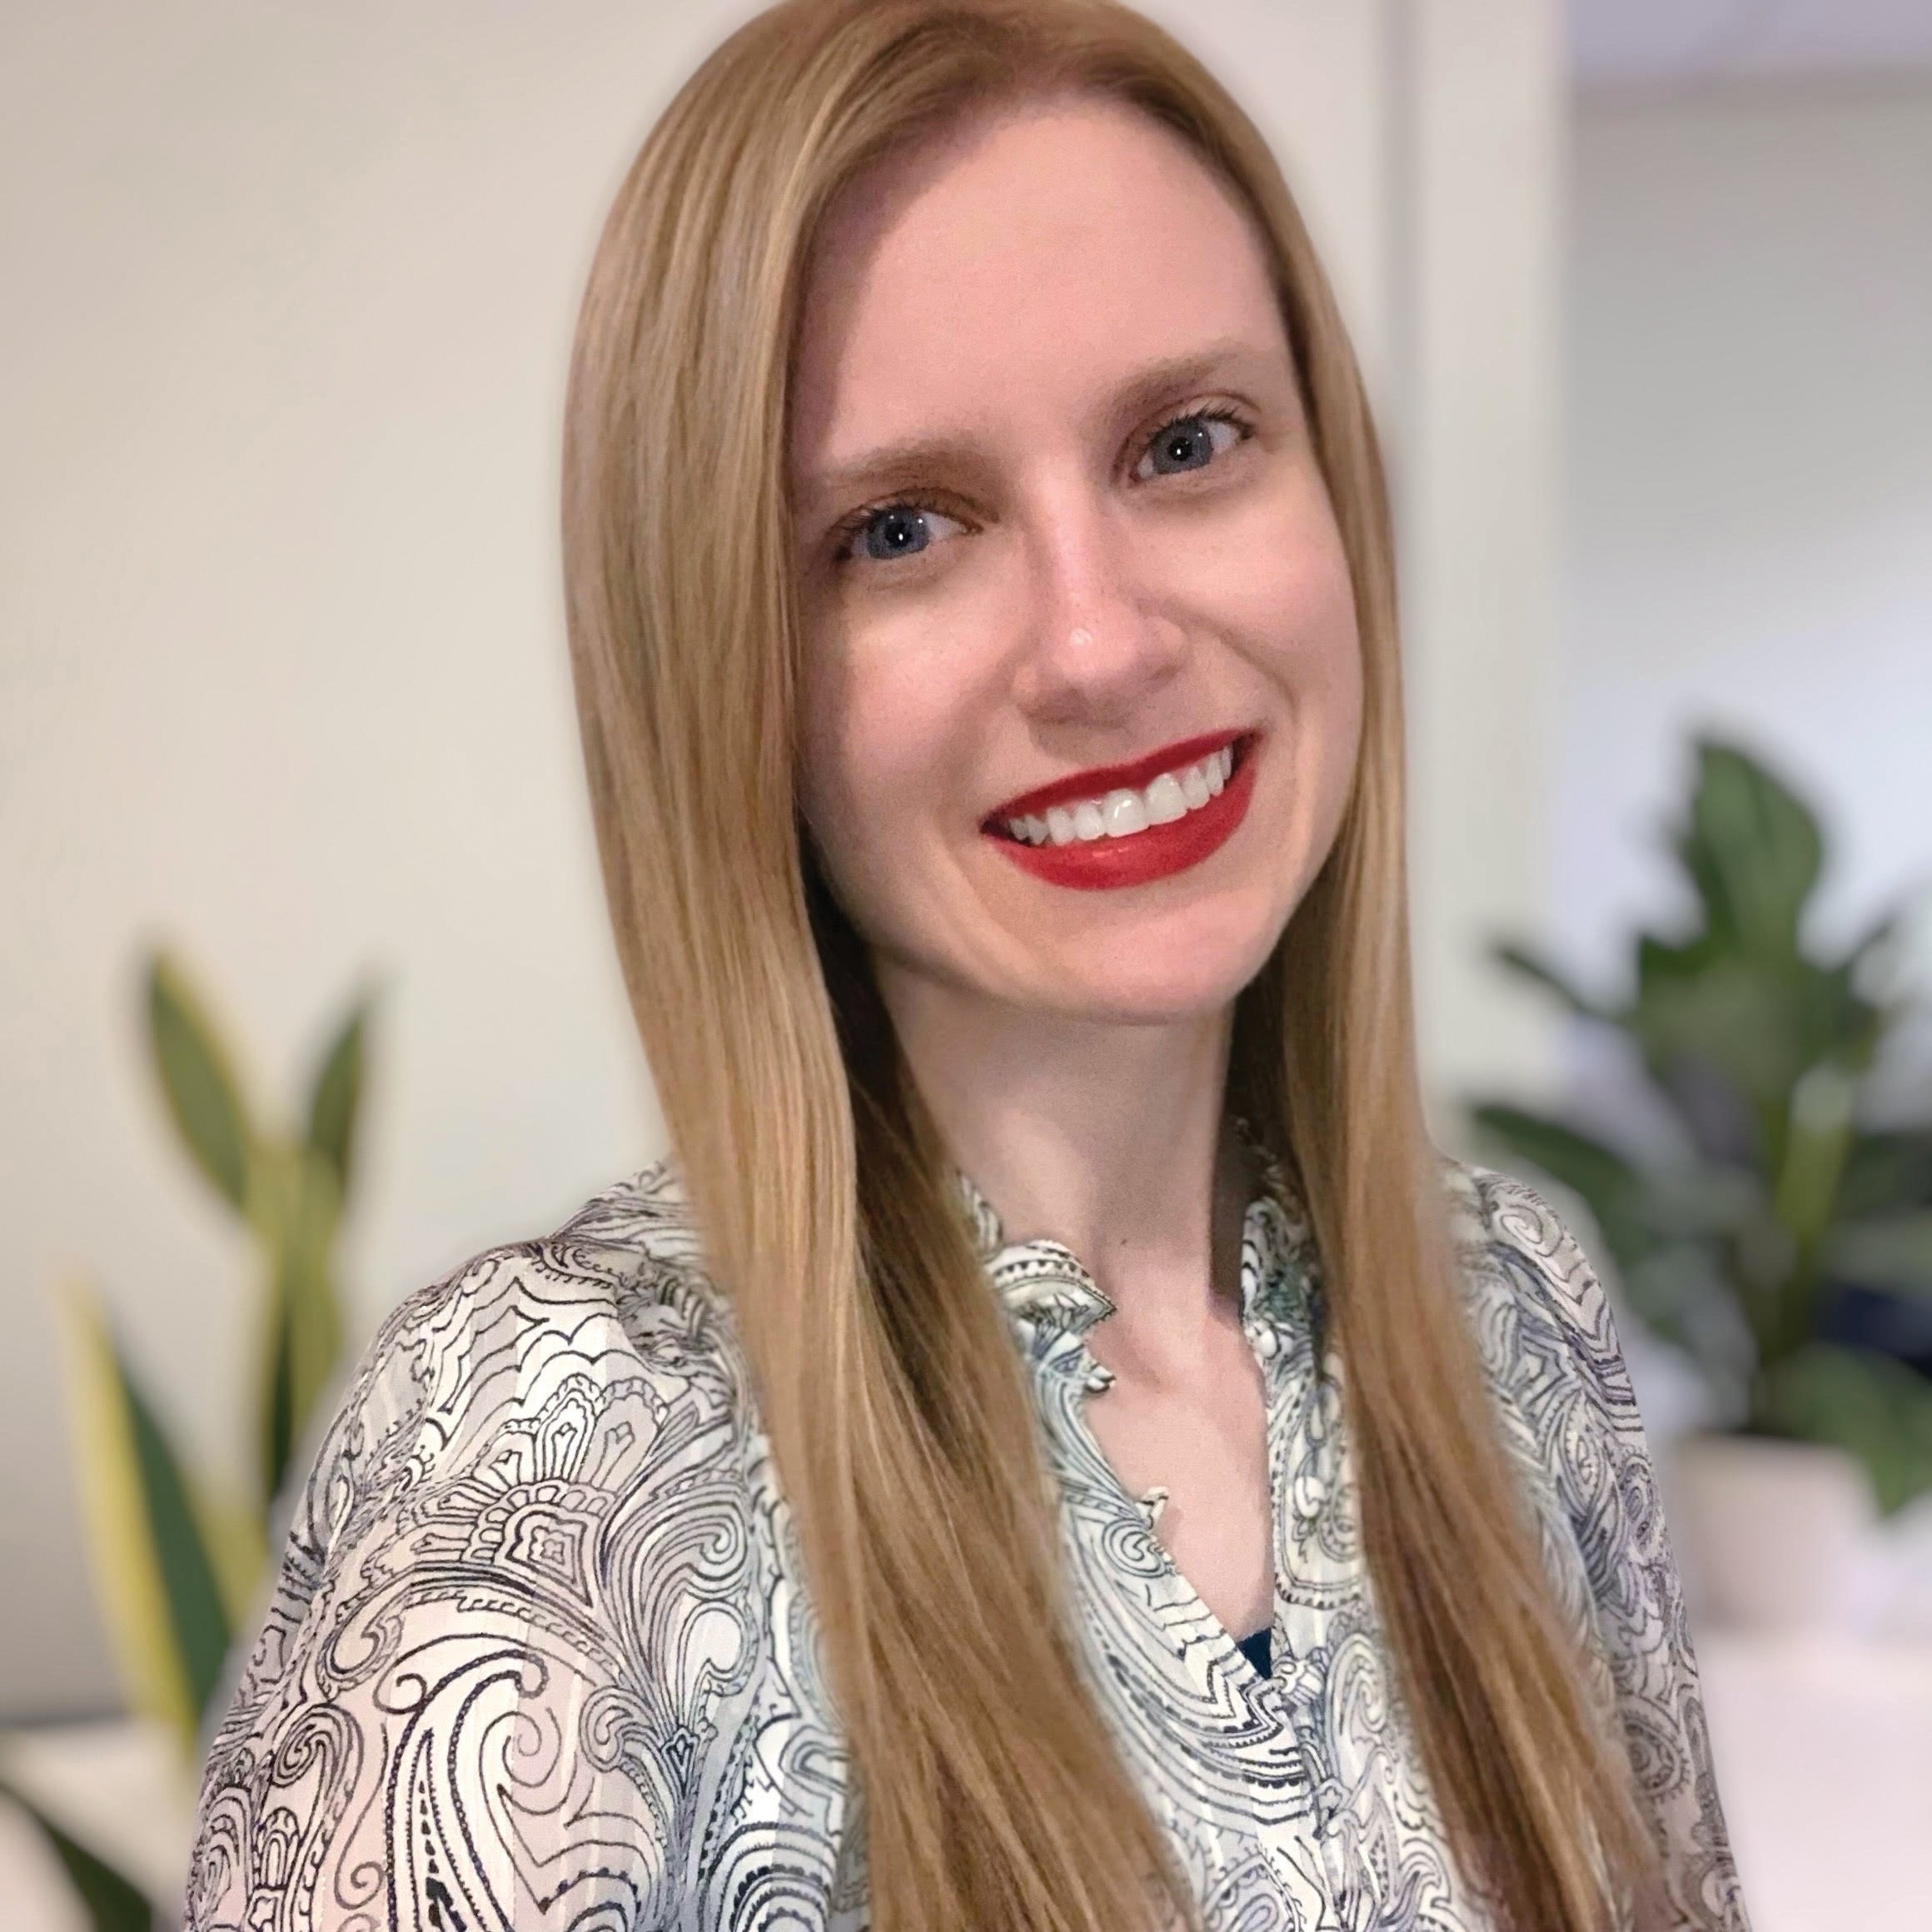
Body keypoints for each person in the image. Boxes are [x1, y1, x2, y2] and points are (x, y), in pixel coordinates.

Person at [184, 2, 1750, 1928]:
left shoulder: (1518, 1319)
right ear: (722, 672)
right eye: (900, 529)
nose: (1097, 647)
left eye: (1185, 443)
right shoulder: (542, 1457)